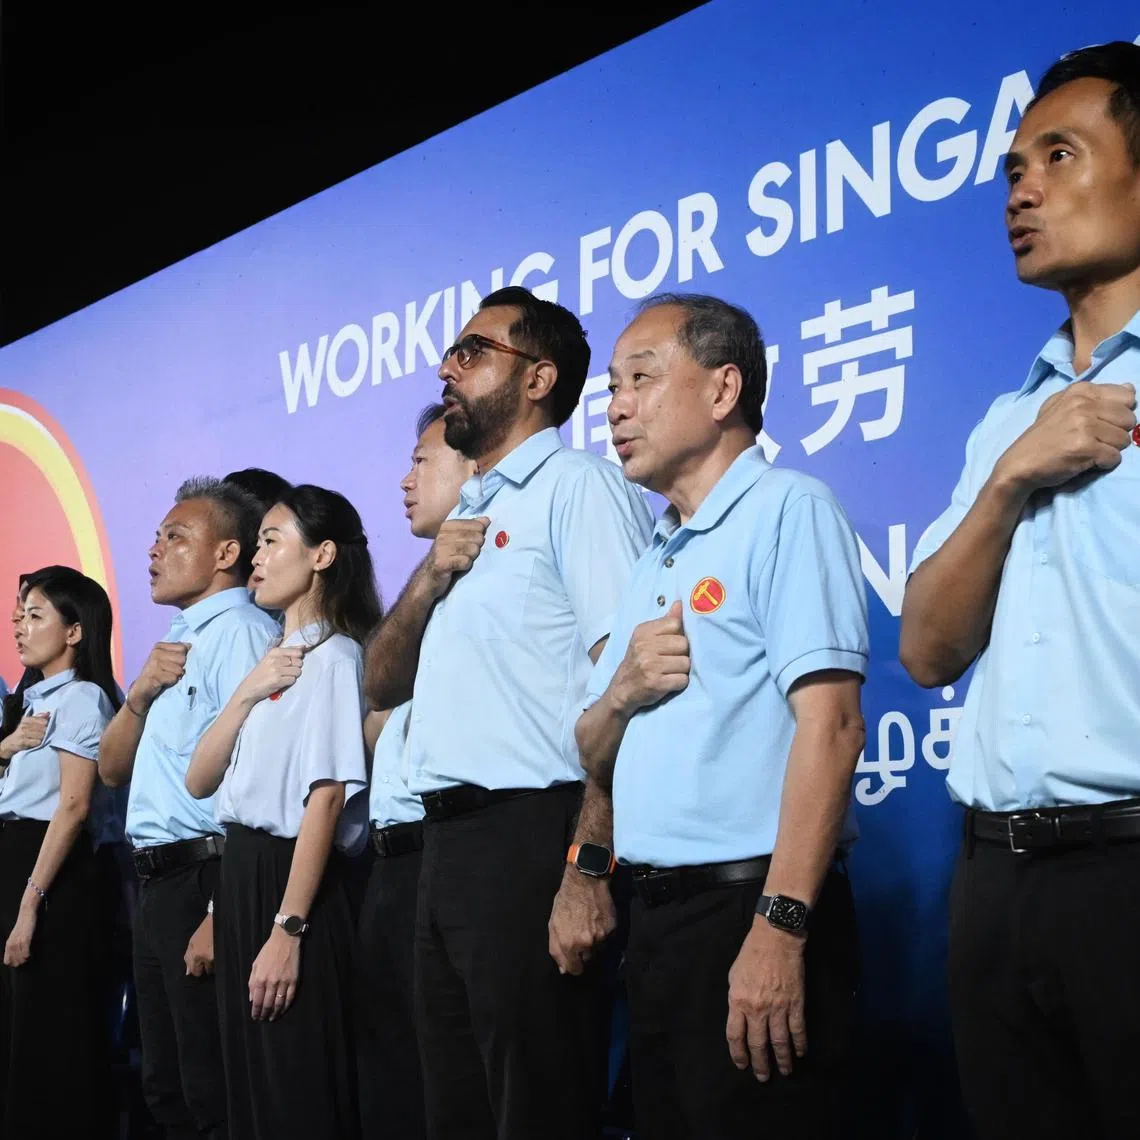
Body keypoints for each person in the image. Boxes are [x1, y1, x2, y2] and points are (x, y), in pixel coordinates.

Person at [898, 42, 1140, 1140]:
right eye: (1011, 169)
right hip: (995, 881)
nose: (1021, 190)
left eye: (1059, 154)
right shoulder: (1009, 419)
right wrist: (1009, 479)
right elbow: (927, 651)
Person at [365, 285, 654, 1140]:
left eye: (473, 352)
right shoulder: (468, 518)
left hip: (534, 842)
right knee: (455, 1110)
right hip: (441, 848)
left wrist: (587, 866)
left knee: (537, 1110)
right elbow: (379, 686)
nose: (447, 368)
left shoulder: (580, 489)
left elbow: (626, 696)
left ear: (539, 379)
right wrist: (425, 578)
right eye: (451, 352)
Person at [577, 294, 868, 1139]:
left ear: (722, 389)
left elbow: (835, 730)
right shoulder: (654, 552)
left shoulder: (789, 507)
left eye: (640, 379)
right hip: (658, 924)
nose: (617, 407)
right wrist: (622, 691)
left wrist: (779, 930)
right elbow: (590, 745)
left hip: (753, 913)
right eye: (611, 388)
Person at [186, 484, 380, 1140]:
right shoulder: (271, 664)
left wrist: (288, 929)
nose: (256, 559)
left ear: (322, 555)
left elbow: (325, 800)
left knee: (291, 1086)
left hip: (290, 885)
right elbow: (198, 778)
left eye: (272, 541)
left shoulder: (337, 658)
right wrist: (245, 692)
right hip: (239, 877)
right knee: (250, 1089)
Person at [99, 477, 278, 1140]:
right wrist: (140, 695)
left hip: (208, 879)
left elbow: (256, 780)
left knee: (214, 1091)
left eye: (176, 537)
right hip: (154, 887)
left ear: (227, 552)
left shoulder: (242, 634)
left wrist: (218, 910)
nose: (154, 550)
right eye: (156, 537)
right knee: (165, 1086)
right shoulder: (175, 642)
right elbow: (111, 770)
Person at [356, 402, 476, 1140]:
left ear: (474, 465)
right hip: (392, 861)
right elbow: (376, 713)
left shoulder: (501, 571)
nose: (405, 480)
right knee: (396, 1076)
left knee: (457, 1084)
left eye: (422, 461)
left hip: (456, 842)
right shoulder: (425, 584)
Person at [0, 569, 122, 1137]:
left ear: (75, 631)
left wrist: (29, 906)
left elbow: (72, 808)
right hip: (16, 860)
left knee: (51, 1032)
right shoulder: (28, 703)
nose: (21, 628)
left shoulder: (83, 697)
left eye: (36, 615)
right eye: (19, 615)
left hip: (49, 872)